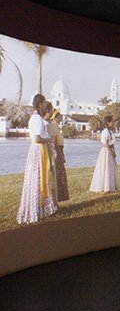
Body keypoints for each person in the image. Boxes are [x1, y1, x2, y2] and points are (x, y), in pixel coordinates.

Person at [17, 94, 57, 224]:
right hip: (38, 150)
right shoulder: (38, 119)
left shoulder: (33, 118)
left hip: (35, 150)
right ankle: (38, 208)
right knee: (40, 178)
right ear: (40, 104)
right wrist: (49, 140)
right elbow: (37, 138)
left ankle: (40, 207)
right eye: (43, 103)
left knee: (36, 178)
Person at [89, 115, 119, 192]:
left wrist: (114, 152)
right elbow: (106, 144)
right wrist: (111, 151)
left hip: (111, 150)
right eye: (111, 122)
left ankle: (112, 185)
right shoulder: (105, 132)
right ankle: (106, 187)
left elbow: (112, 143)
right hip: (106, 151)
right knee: (106, 168)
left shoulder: (111, 132)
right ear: (108, 123)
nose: (113, 123)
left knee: (111, 168)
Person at [49, 108, 70, 202]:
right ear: (55, 117)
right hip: (57, 152)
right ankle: (57, 196)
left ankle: (60, 196)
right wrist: (60, 155)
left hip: (60, 149)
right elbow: (55, 144)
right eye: (59, 116)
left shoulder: (57, 126)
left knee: (60, 174)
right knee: (57, 174)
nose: (61, 118)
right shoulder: (53, 126)